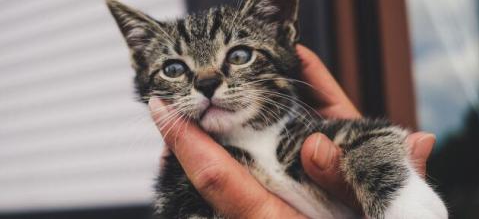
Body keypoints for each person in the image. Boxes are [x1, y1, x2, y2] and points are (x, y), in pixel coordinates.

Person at [148, 45, 436, 218]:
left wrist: (390, 190)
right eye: (174, 69)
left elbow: (374, 137)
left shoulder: (304, 135)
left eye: (238, 54)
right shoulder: (184, 184)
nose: (207, 80)